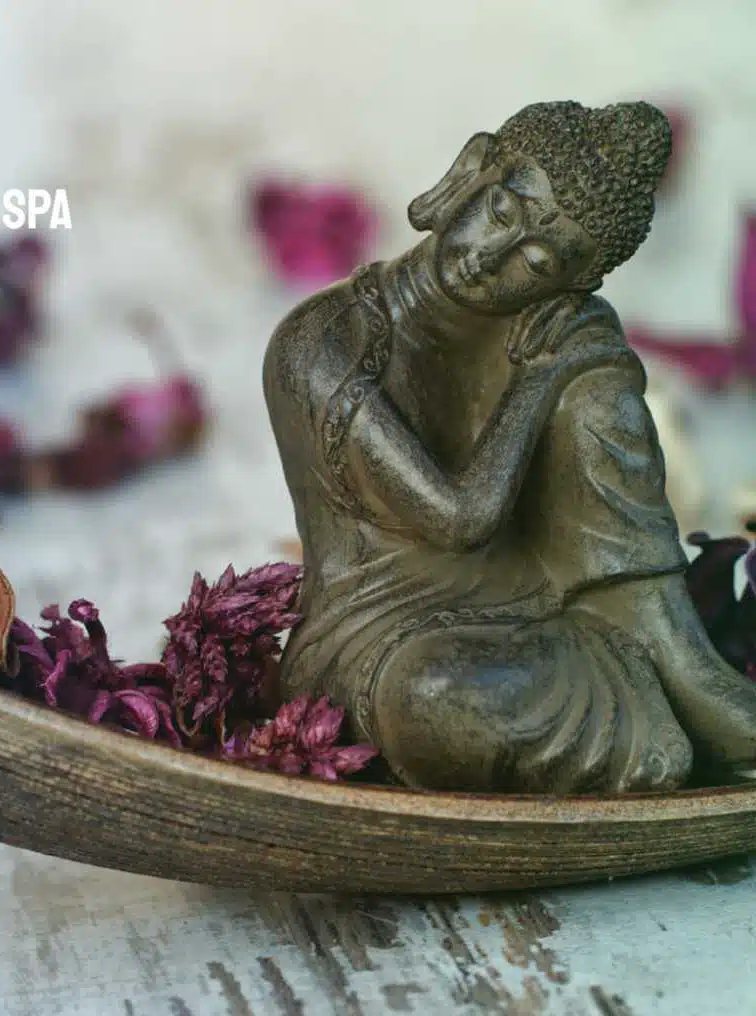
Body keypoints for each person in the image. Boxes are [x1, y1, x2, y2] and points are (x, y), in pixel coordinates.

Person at [264, 100, 756, 793]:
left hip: (548, 618)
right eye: (501, 212)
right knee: (434, 698)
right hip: (383, 643)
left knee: (593, 385)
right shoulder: (323, 341)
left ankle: (678, 670)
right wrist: (538, 382)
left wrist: (575, 375)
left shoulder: (555, 329)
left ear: (573, 280)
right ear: (471, 170)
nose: (491, 258)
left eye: (537, 259)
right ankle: (653, 723)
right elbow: (459, 519)